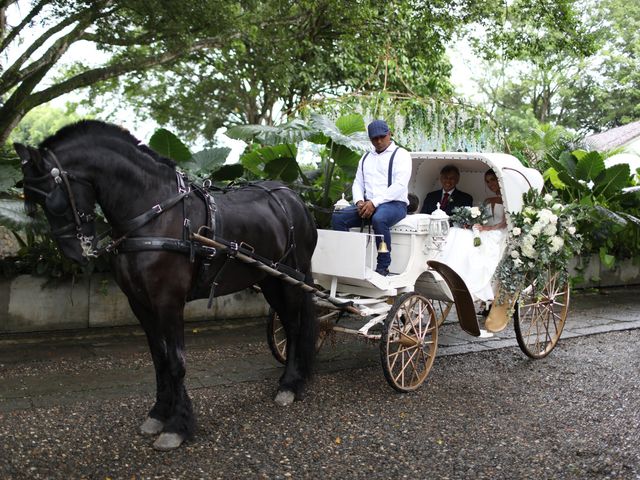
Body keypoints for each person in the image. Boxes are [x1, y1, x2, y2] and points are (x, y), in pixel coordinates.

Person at [331, 119, 412, 276]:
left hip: (395, 204)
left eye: (382, 136)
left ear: (390, 134)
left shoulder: (401, 155)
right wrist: (359, 201)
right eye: (375, 138)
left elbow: (399, 185)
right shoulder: (366, 158)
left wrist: (374, 203)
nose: (379, 141)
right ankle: (349, 261)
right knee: (338, 217)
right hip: (368, 204)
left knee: (379, 219)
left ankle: (383, 265)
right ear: (370, 139)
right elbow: (357, 183)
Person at [436, 168, 507, 305]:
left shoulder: (507, 199)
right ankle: (454, 274)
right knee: (459, 234)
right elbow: (481, 219)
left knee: (489, 241)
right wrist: (473, 225)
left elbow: (505, 222)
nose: (490, 184)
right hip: (484, 229)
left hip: (499, 230)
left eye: (493, 180)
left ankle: (476, 282)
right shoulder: (487, 200)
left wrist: (488, 228)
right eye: (487, 181)